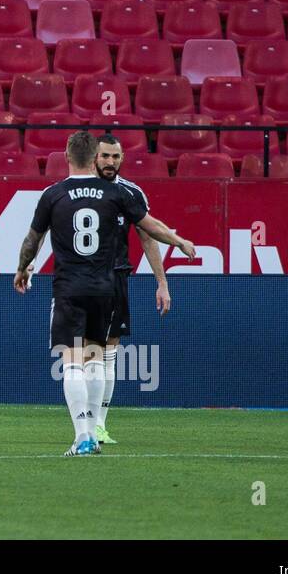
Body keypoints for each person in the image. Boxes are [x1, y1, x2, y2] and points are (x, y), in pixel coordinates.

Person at [14, 131, 195, 456]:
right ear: (94, 156)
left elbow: (32, 239)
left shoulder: (54, 194)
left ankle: (83, 434)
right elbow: (150, 226)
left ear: (68, 155)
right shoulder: (116, 194)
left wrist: (23, 268)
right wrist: (178, 241)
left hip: (69, 287)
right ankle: (95, 432)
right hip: (106, 288)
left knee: (72, 363)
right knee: (98, 359)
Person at [93, 134, 171, 445]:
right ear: (94, 157)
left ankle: (98, 424)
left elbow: (148, 237)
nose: (110, 162)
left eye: (115, 156)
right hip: (79, 281)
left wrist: (162, 282)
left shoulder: (131, 193)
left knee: (108, 351)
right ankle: (84, 422)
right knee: (83, 354)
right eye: (105, 156)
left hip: (115, 279)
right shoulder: (74, 190)